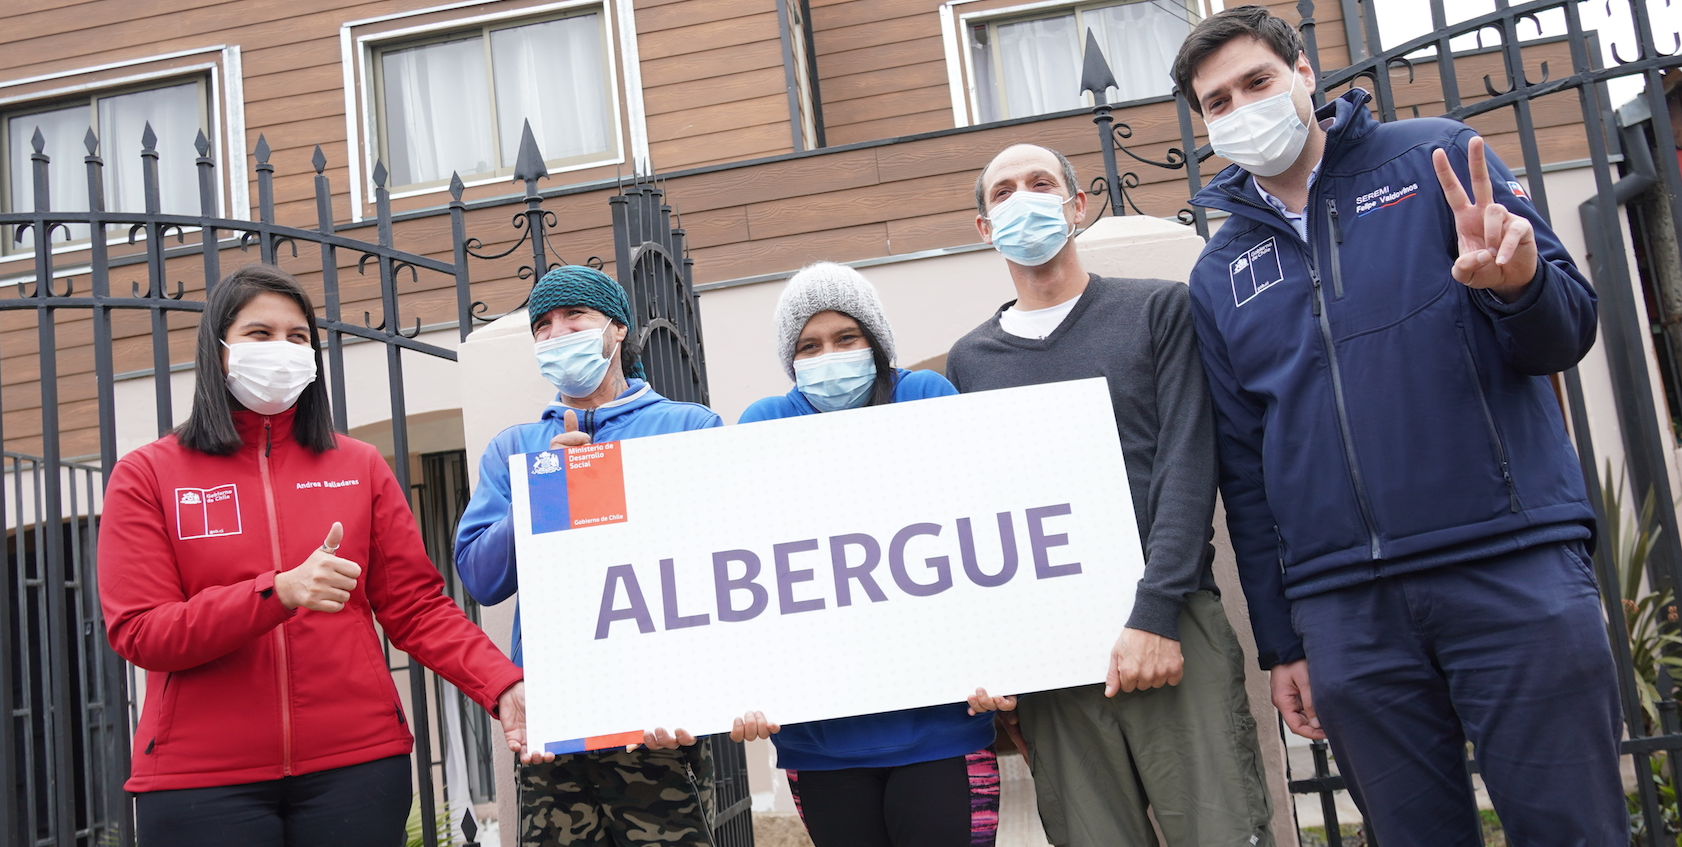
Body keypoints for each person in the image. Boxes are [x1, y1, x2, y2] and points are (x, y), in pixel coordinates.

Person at [1172, 7, 1623, 845]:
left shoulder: (1436, 159)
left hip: (1509, 564)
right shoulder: (1220, 270)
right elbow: (1245, 466)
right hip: (1346, 611)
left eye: (1257, 82)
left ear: (1305, 75)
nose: (1241, 109)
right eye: (1218, 102)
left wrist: (1519, 283)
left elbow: (1565, 334)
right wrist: (1282, 640)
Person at [98, 264, 532, 847]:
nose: (282, 349)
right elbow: (141, 631)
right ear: (218, 350)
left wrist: (502, 684)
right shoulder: (147, 474)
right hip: (199, 780)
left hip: (356, 767)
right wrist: (276, 592)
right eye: (260, 334)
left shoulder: (358, 466)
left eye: (298, 337)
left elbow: (417, 608)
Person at [949, 144, 1273, 846]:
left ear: (1077, 206)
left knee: (1222, 831)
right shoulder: (969, 362)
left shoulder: (1158, 309)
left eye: (1041, 183)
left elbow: (1188, 463)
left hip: (1170, 618)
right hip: (1051, 652)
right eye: (1004, 191)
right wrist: (999, 657)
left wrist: (1155, 614)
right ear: (984, 227)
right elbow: (982, 513)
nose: (1023, 198)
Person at [731, 261, 1000, 847]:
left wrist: (1004, 661)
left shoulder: (925, 397)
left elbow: (981, 530)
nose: (829, 355)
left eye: (846, 337)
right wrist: (745, 685)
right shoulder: (763, 424)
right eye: (809, 345)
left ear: (875, 341)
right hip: (820, 743)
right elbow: (744, 564)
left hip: (942, 728)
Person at [454, 264, 722, 846]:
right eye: (542, 325)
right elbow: (481, 577)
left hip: (658, 713)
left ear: (617, 328)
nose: (557, 334)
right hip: (557, 714)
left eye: (574, 316)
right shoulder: (514, 448)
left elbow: (721, 555)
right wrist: (543, 492)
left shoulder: (687, 427)